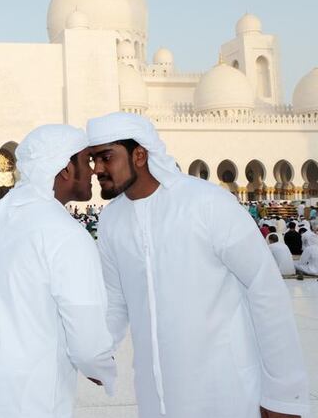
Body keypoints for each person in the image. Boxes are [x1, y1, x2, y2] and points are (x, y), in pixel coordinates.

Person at [87, 111, 309, 418]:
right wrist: (97, 351)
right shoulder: (112, 220)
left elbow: (266, 292)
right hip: (157, 397)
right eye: (93, 160)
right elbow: (115, 300)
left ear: (139, 154)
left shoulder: (206, 203)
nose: (97, 168)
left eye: (106, 157)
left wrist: (283, 395)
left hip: (225, 393)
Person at [0, 125, 115, 417]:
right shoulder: (65, 233)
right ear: (65, 168)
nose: (94, 170)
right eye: (86, 160)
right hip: (22, 395)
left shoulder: (1, 220)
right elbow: (87, 342)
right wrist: (103, 367)